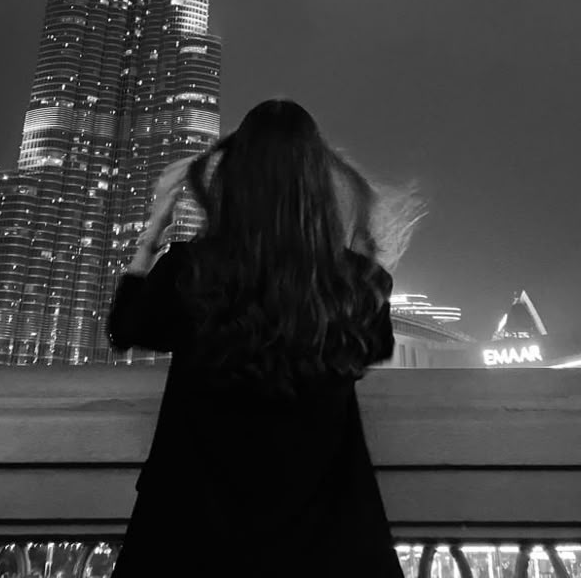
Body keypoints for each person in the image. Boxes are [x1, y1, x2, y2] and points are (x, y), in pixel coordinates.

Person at [109, 99, 419, 578]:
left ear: (231, 183)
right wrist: (359, 243)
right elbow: (375, 346)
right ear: (317, 185)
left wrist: (153, 231)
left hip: (192, 538)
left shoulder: (190, 271)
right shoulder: (351, 283)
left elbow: (125, 328)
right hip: (324, 543)